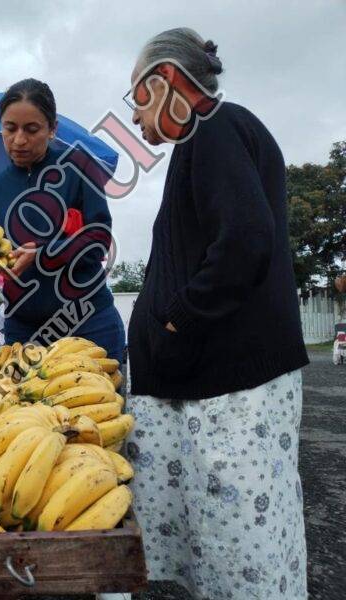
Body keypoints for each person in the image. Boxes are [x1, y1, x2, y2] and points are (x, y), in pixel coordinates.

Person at [123, 28, 308, 599]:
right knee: (224, 553)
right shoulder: (206, 140)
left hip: (233, 391)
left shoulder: (217, 128)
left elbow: (246, 238)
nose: (135, 119)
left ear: (167, 82)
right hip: (215, 388)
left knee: (244, 559)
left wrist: (176, 321)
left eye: (137, 99)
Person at [0, 78, 125, 361]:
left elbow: (98, 240)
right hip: (24, 331)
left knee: (98, 404)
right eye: (10, 128)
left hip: (89, 321)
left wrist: (43, 253)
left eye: (32, 129)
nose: (19, 140)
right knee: (24, 405)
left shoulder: (79, 167)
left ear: (52, 129)